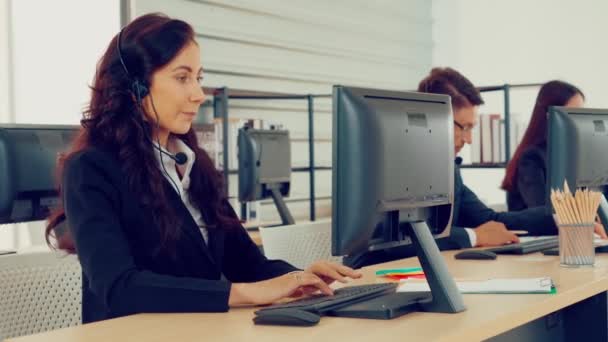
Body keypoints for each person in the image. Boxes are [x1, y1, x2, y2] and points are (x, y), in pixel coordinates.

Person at [45, 13, 360, 324]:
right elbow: (119, 287)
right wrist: (245, 294)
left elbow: (246, 263)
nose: (197, 94)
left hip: (199, 330)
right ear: (136, 87)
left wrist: (298, 278)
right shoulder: (90, 169)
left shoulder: (194, 165)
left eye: (199, 78)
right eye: (182, 78)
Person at [416, 67, 564, 249]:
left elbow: (490, 221)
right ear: (434, 119)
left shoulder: (450, 170)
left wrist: (563, 218)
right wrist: (474, 237)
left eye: (471, 128)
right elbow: (402, 236)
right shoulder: (396, 169)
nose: (468, 140)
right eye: (464, 127)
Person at [502, 81, 585, 211]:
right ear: (550, 116)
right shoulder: (531, 158)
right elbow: (542, 210)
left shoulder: (571, 154)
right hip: (538, 230)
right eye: (573, 113)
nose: (580, 121)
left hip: (568, 229)